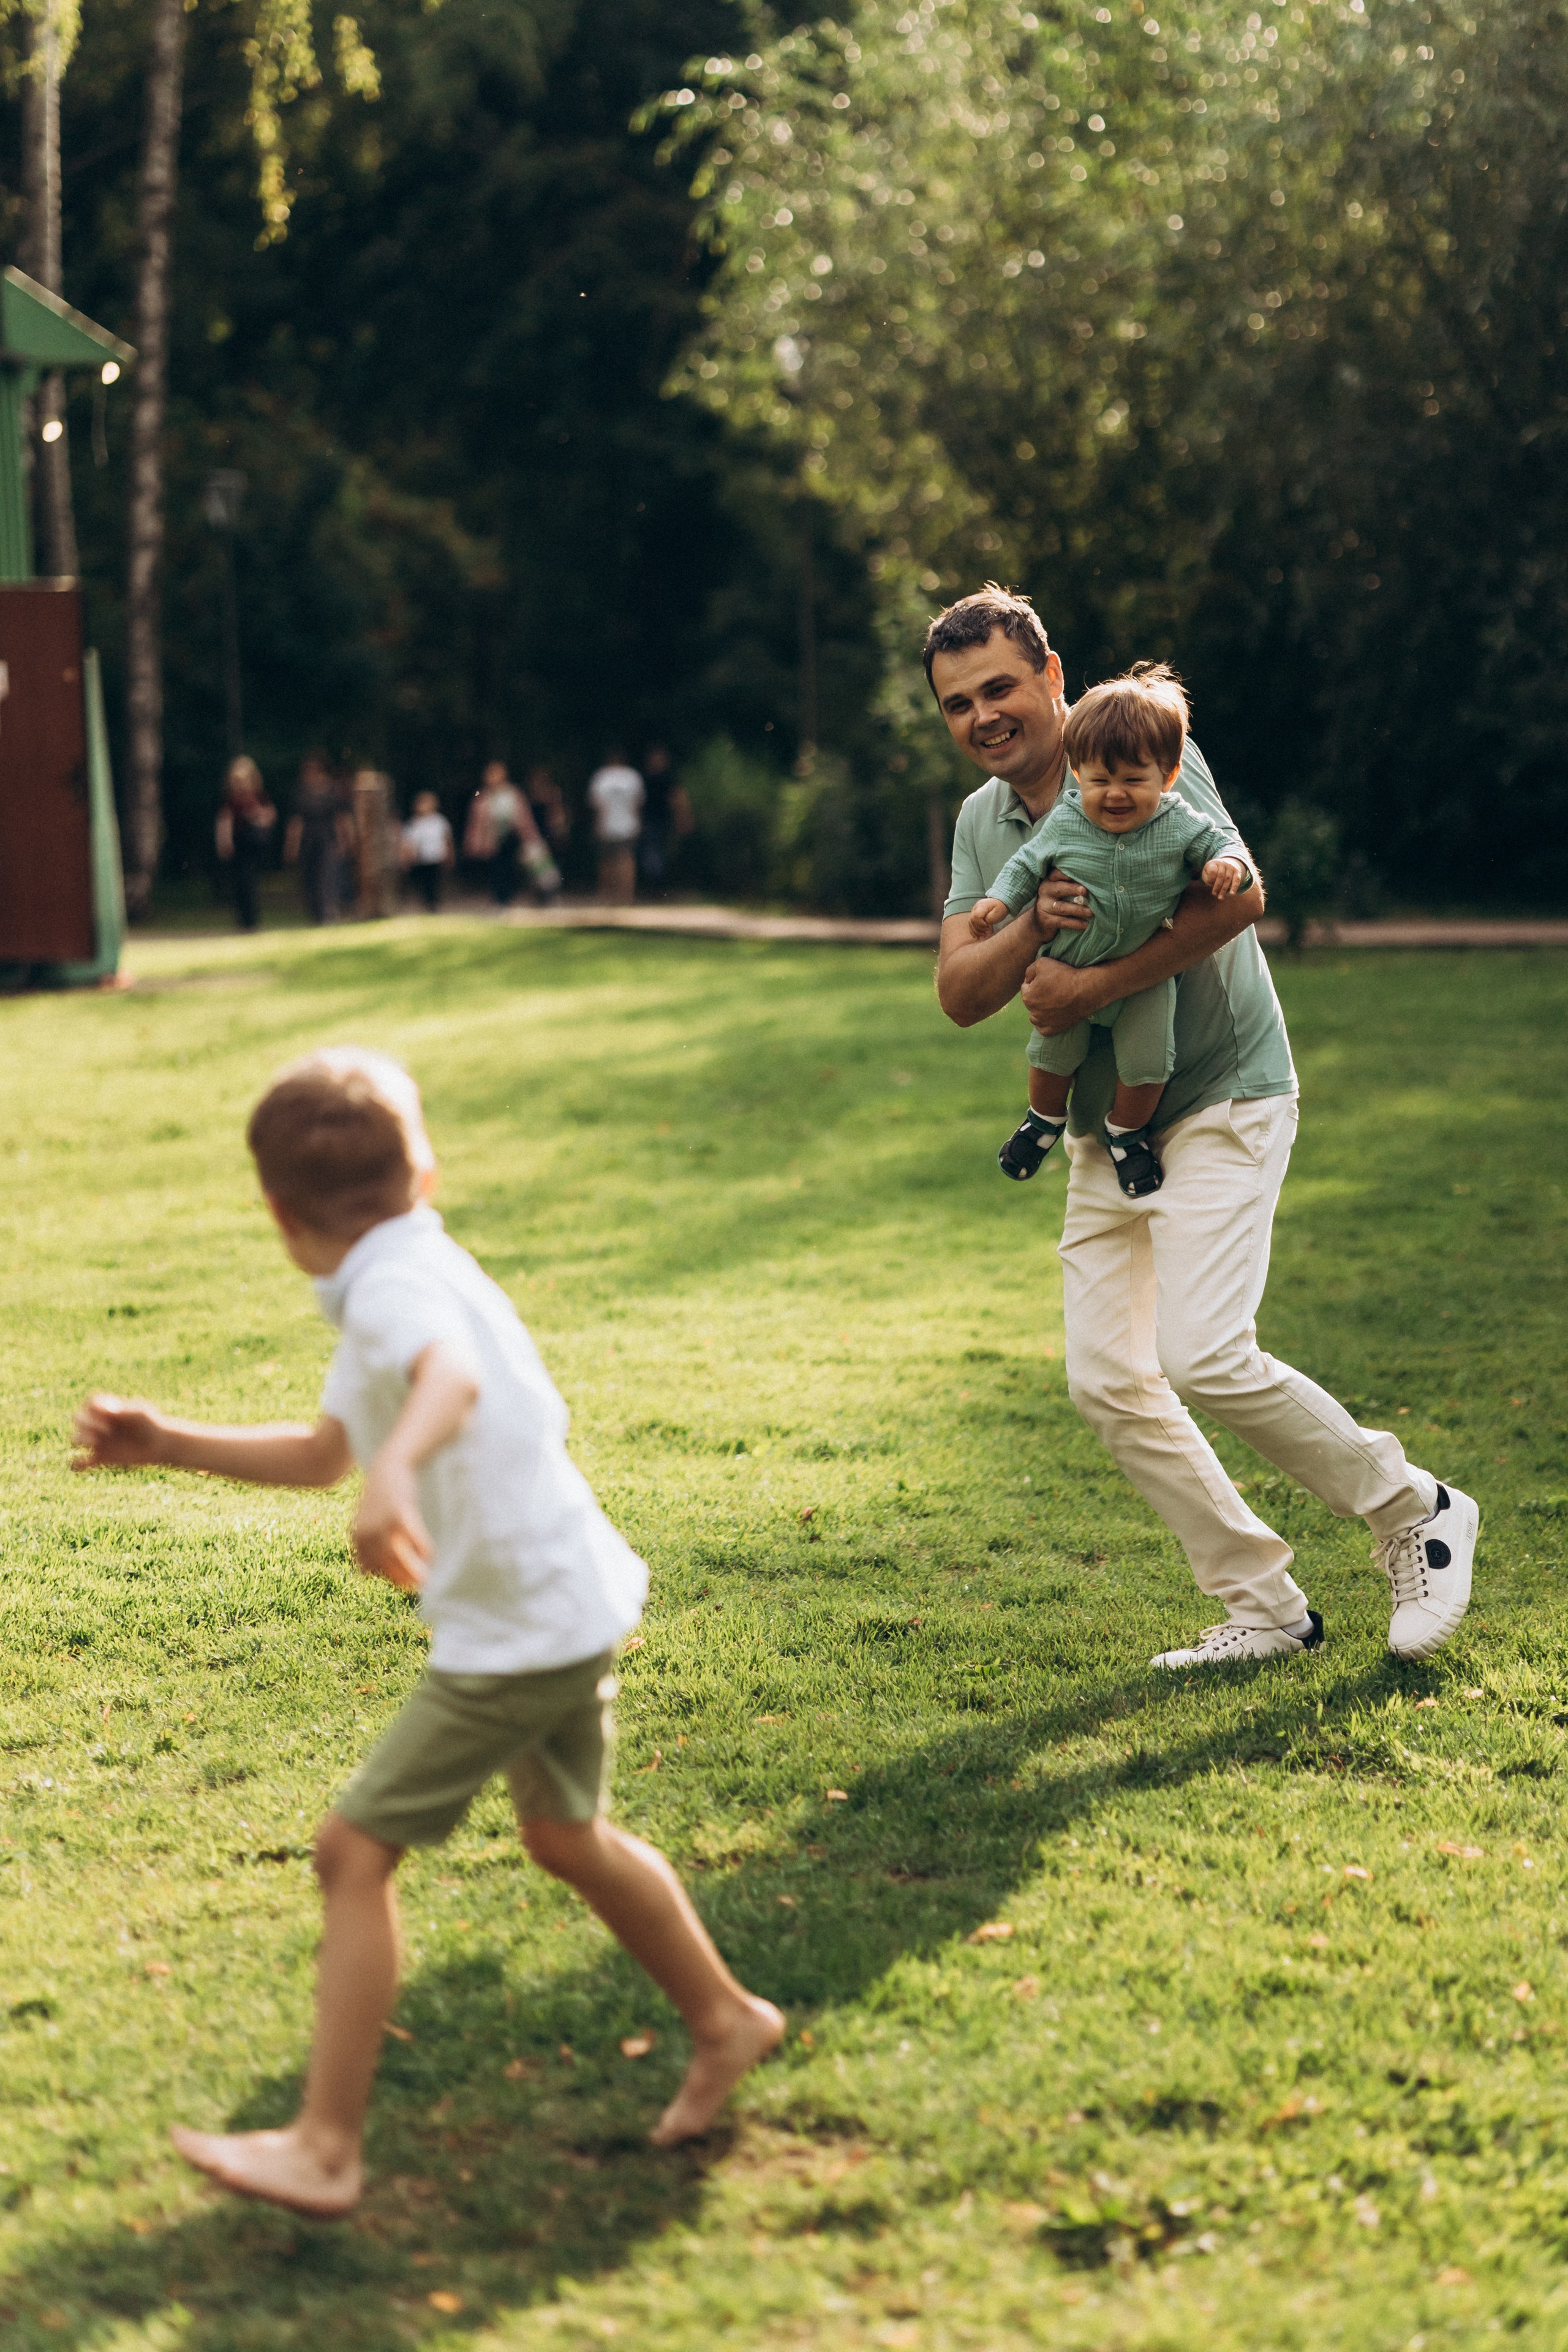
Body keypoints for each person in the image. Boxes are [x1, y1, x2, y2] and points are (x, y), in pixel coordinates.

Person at [70, 1048, 785, 2218]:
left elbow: (444, 1381)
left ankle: (325, 2147)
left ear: (278, 1213)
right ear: (426, 1171)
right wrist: (172, 1442)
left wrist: (395, 1474)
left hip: (517, 1632)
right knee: (564, 1836)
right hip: (564, 1598)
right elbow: (321, 1454)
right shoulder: (409, 1264)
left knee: (352, 1854)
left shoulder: (397, 1295)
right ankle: (727, 2017)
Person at [928, 586, 1478, 1670]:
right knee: (1106, 1381)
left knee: (1206, 1352)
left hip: (1224, 1093)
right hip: (1102, 1128)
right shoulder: (983, 824)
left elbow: (1237, 899)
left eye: (1000, 687)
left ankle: (1414, 1508)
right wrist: (1040, 914)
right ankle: (1265, 1607)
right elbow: (960, 989)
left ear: (1052, 678)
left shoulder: (1142, 746)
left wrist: (1088, 991)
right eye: (957, 704)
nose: (983, 715)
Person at [969, 665, 1251, 1196]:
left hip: (1142, 978)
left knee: (1149, 1063)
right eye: (1100, 780)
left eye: (1133, 780)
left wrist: (1228, 865)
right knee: (1052, 1053)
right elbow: (1027, 865)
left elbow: (1223, 845)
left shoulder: (1178, 822)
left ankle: (1127, 1134)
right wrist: (996, 901)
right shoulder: (1068, 820)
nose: (1115, 794)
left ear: (1167, 777)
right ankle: (1042, 1120)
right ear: (1078, 774)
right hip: (1068, 964)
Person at [284, 753, 349, 926]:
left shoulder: (332, 791)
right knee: (309, 877)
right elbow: (296, 822)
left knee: (327, 876)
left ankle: (328, 912)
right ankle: (315, 914)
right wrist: (292, 846)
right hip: (307, 840)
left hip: (327, 839)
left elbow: (339, 819)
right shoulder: (301, 793)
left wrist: (344, 841)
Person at [214, 755, 276, 933]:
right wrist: (224, 842)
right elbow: (224, 822)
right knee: (240, 883)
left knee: (250, 882)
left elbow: (270, 816)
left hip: (254, 844)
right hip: (238, 844)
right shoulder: (231, 799)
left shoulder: (259, 796)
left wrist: (257, 816)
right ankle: (243, 920)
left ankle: (251, 921)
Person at [587, 752, 644, 905]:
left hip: (607, 825)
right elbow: (637, 804)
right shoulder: (632, 777)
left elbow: (598, 806)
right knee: (627, 859)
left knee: (606, 861)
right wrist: (638, 823)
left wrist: (597, 825)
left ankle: (607, 896)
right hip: (628, 825)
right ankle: (626, 896)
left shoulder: (601, 777)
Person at [637, 746, 693, 896]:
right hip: (649, 821)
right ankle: (655, 883)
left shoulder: (668, 778)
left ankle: (655, 883)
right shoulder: (644, 778)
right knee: (653, 852)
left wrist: (682, 818)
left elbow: (677, 799)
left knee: (655, 852)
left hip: (662, 821)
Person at [401, 790, 454, 912]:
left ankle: (435, 902)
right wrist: (407, 857)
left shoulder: (440, 821)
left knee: (436, 881)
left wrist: (450, 855)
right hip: (421, 858)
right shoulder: (414, 823)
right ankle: (427, 902)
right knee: (424, 881)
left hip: (436, 857)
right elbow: (409, 842)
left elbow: (447, 839)